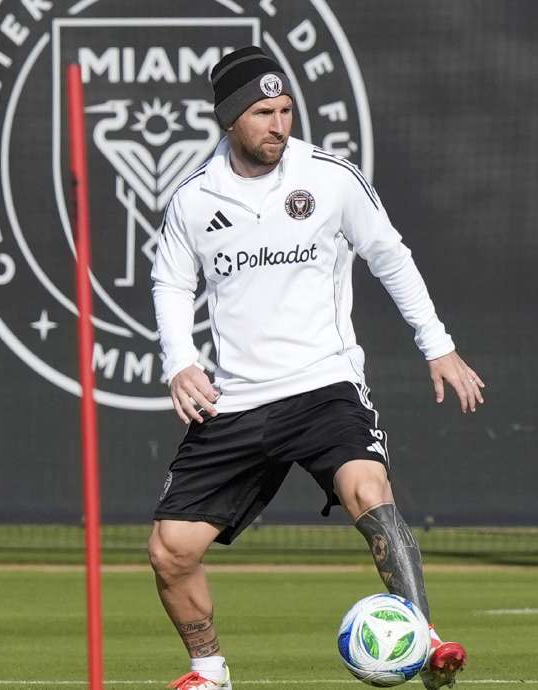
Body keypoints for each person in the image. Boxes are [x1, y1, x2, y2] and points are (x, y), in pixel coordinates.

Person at [148, 46, 484, 690]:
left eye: (286, 110)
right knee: (170, 551)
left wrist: (436, 344)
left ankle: (424, 640)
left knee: (369, 490)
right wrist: (180, 363)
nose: (279, 125)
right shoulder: (193, 198)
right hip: (238, 400)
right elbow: (168, 282)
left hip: (323, 386)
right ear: (229, 119)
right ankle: (209, 671)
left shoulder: (330, 177)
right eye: (263, 113)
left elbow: (390, 256)